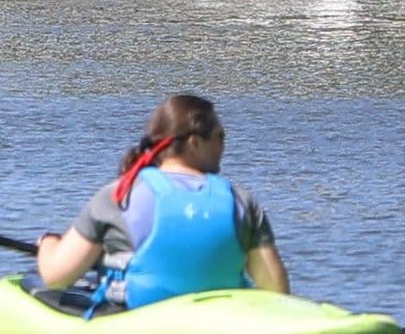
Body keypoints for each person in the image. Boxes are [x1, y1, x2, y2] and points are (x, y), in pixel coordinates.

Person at [35, 94, 288, 313]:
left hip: (142, 322)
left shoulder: (119, 196)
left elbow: (56, 276)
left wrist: (48, 243)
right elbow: (277, 293)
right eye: (220, 136)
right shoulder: (241, 201)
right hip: (223, 321)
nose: (224, 144)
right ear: (195, 142)